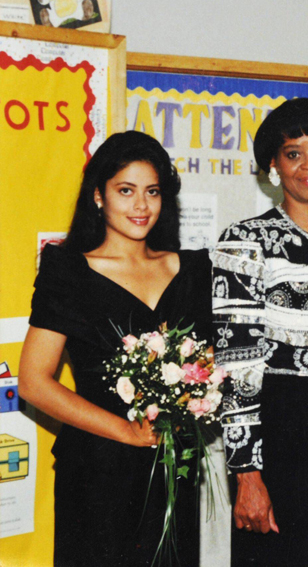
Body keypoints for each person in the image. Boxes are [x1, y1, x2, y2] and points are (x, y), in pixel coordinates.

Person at [19, 131, 209, 566]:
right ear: (98, 196)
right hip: (97, 469)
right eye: (126, 191)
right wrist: (126, 431)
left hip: (171, 470)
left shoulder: (192, 270)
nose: (141, 207)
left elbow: (208, 366)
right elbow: (32, 381)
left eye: (152, 192)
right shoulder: (68, 271)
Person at [211, 98, 308, 567]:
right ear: (273, 166)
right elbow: (235, 363)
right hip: (279, 432)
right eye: (293, 153)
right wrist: (246, 474)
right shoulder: (244, 240)